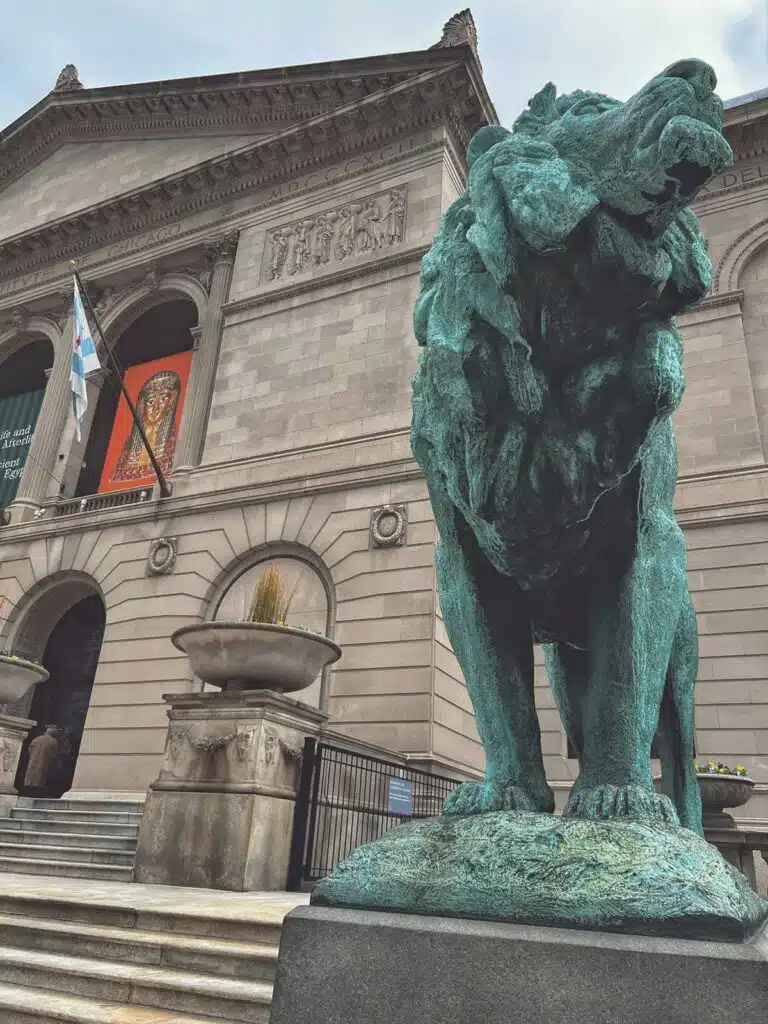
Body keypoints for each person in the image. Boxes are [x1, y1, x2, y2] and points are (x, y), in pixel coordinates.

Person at [23, 726, 60, 792]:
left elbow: (29, 750)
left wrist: (32, 757)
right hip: (44, 762)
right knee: (40, 777)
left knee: (30, 775)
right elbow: (54, 754)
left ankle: (27, 787)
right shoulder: (54, 741)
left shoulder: (36, 739)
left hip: (32, 761)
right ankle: (36, 790)